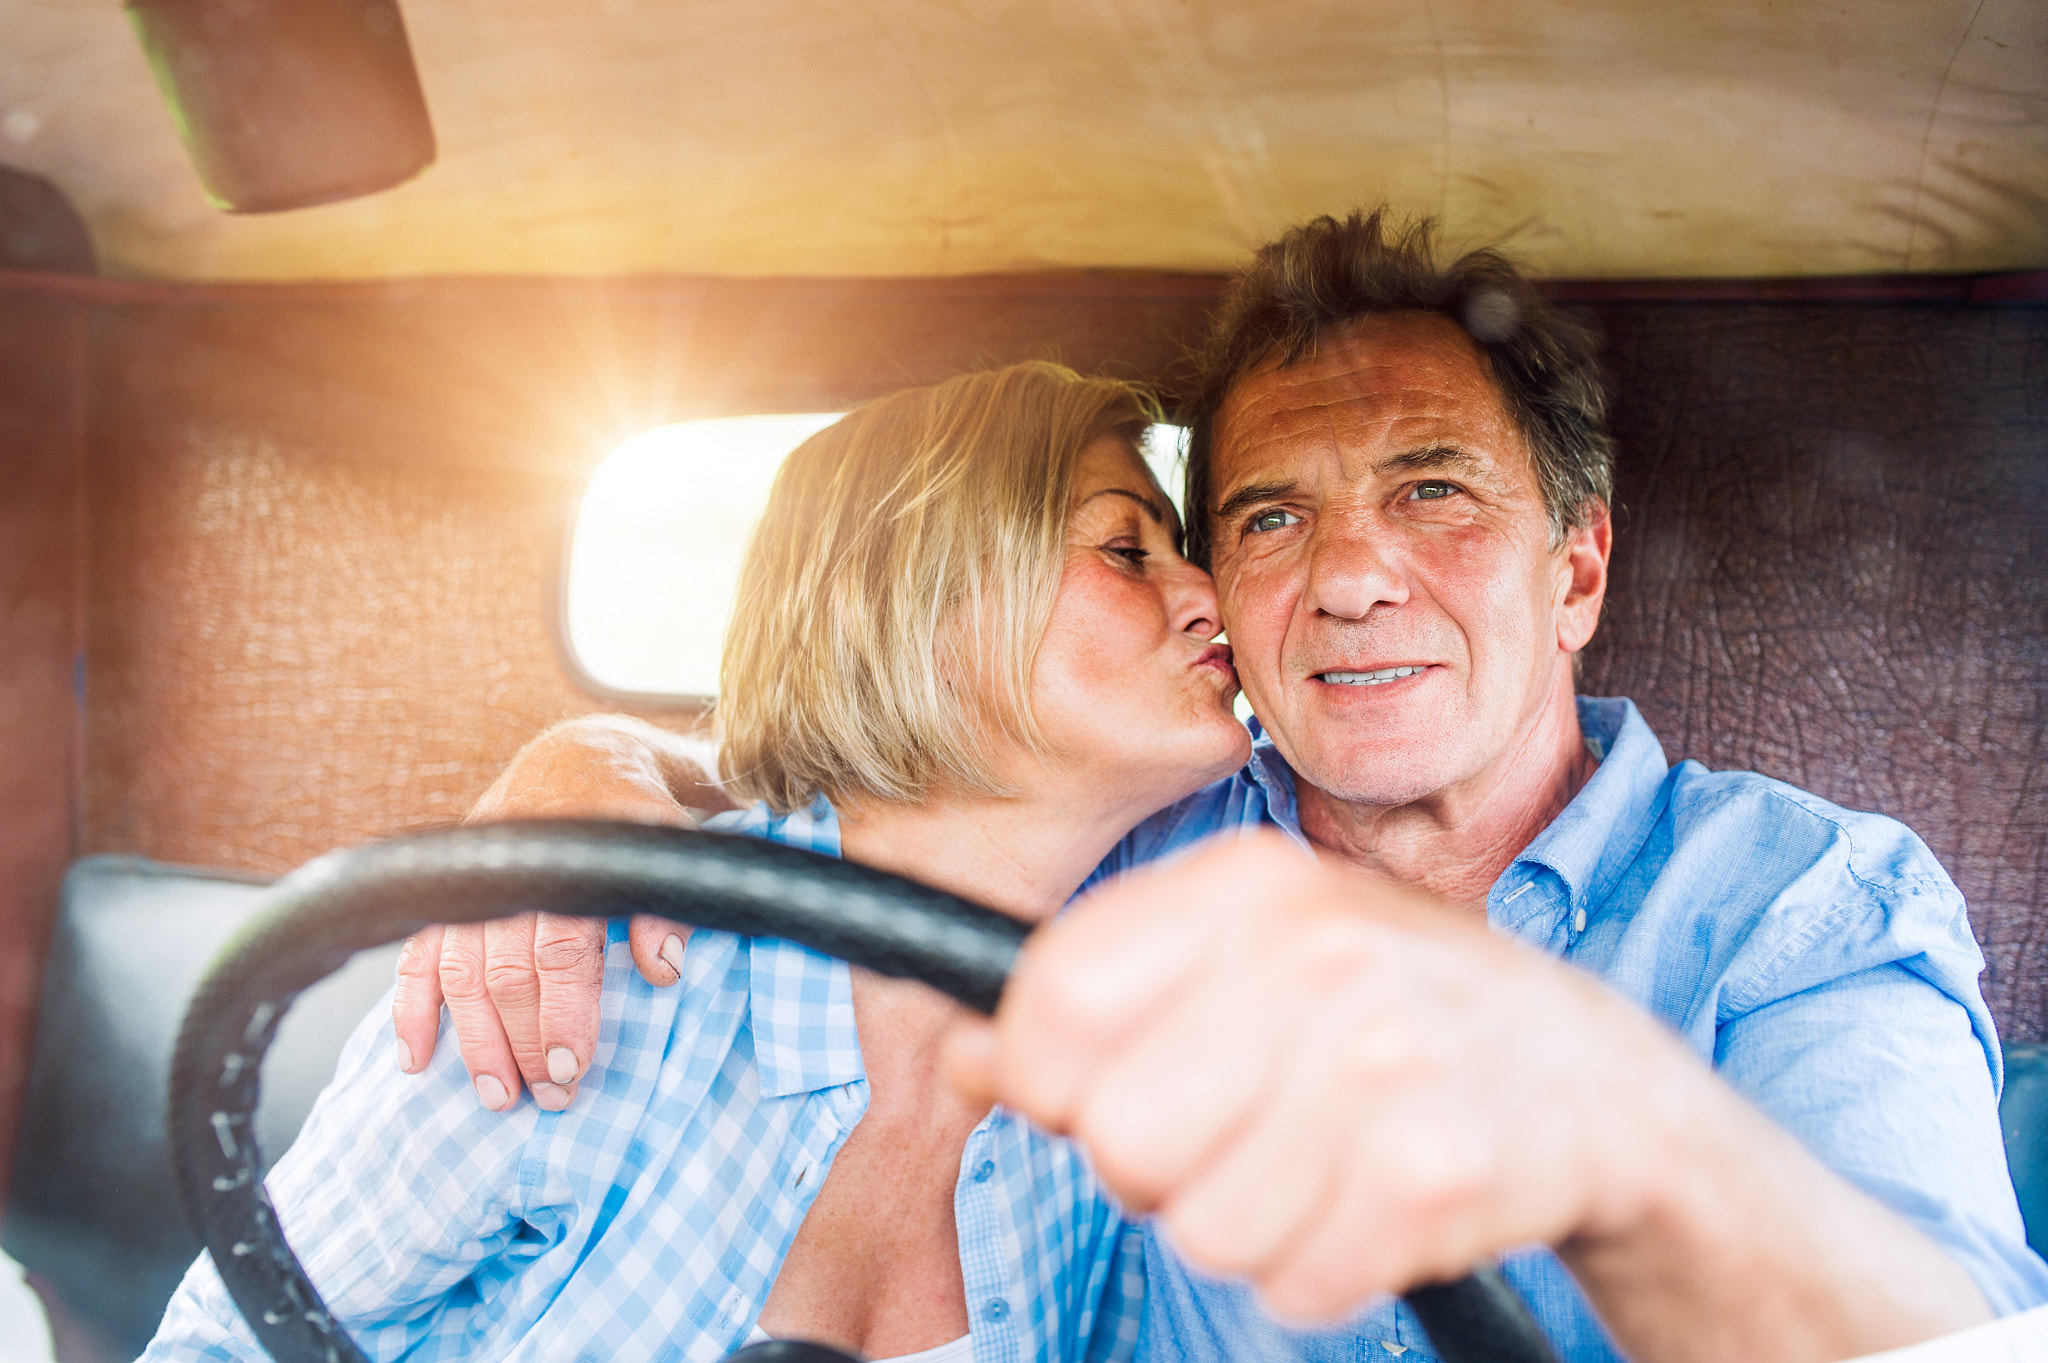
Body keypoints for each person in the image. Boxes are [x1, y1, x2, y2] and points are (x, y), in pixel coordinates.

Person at [410, 209, 2048, 1363]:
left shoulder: (1801, 901)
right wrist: (600, 765)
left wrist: (1614, 1129)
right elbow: (889, 778)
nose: (1348, 579)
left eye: (1429, 489)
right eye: (1269, 516)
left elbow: (1943, 1333)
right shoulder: (1121, 847)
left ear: (1574, 567)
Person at [143, 362, 1254, 1363]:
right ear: (917, 608)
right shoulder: (587, 978)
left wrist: (600, 750)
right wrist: (584, 762)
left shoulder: (1166, 938)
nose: (1207, 594)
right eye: (1124, 548)